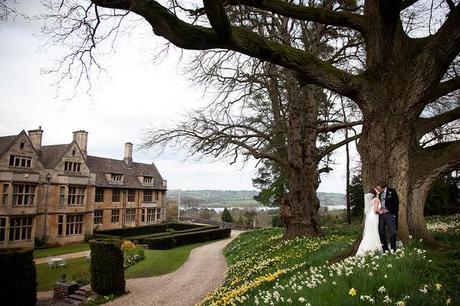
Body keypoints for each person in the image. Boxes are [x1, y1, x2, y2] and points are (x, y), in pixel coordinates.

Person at [356, 188, 383, 256]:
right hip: (374, 217)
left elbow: (375, 204)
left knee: (370, 232)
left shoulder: (372, 200)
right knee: (374, 232)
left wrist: (377, 195)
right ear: (375, 193)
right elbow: (376, 210)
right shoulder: (376, 200)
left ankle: (364, 250)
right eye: (377, 190)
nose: (378, 191)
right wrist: (381, 211)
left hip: (370, 217)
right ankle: (373, 249)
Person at [376, 181, 399, 252]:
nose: (378, 190)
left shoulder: (392, 191)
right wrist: (379, 210)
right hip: (381, 215)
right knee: (381, 232)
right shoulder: (379, 194)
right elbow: (377, 202)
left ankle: (393, 249)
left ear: (384, 188)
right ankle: (385, 249)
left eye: (379, 188)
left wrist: (388, 210)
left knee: (392, 232)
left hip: (390, 214)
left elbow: (396, 203)